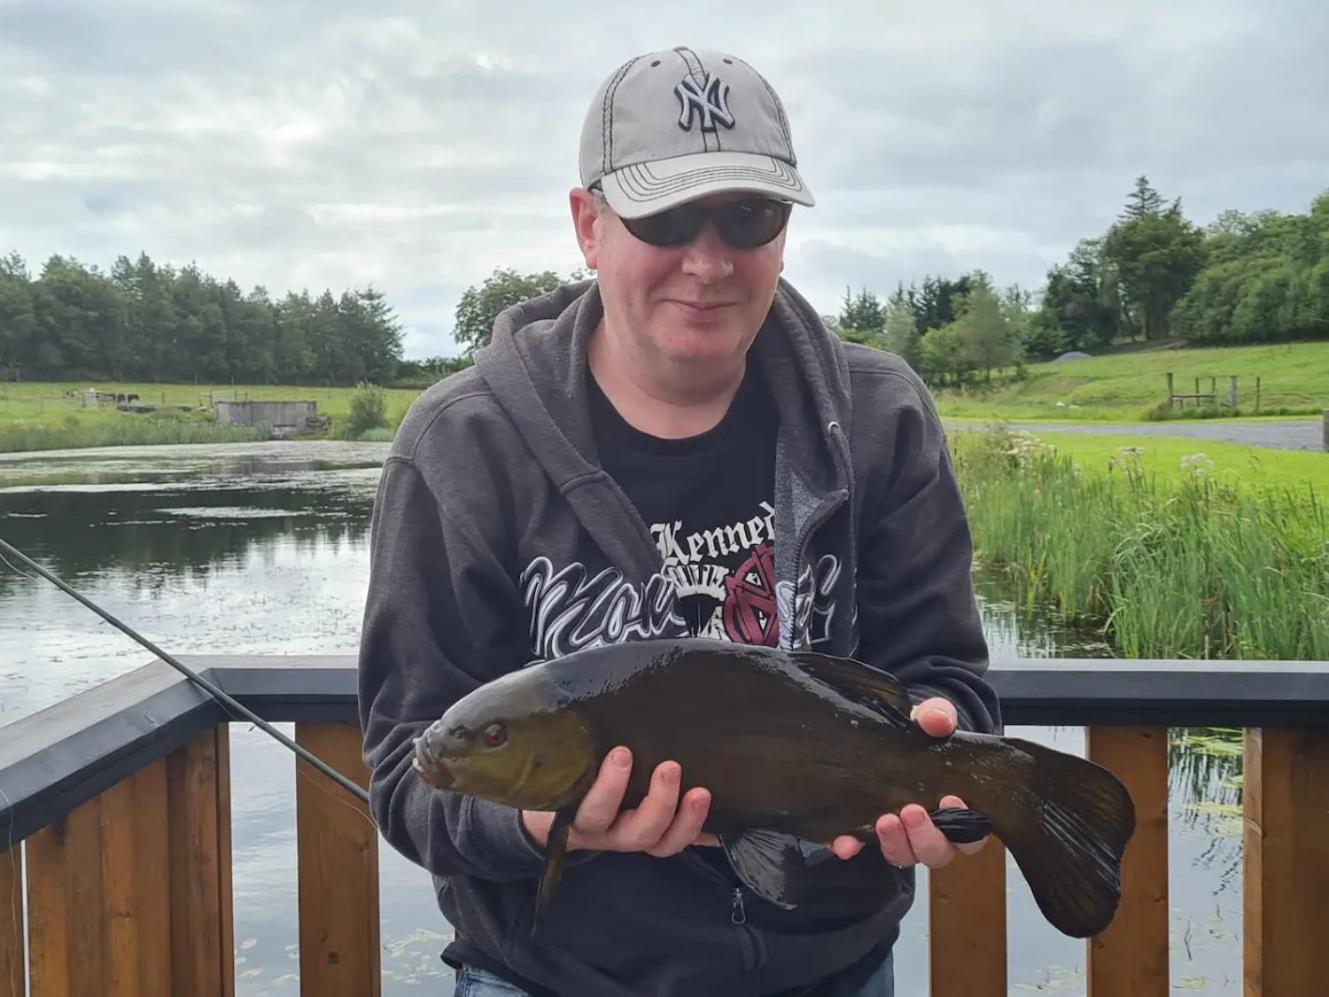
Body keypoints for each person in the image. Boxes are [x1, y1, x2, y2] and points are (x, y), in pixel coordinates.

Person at [358, 45, 1001, 997]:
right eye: (663, 215)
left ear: (784, 230)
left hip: (834, 968)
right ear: (589, 224)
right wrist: (541, 822)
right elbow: (412, 774)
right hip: (549, 978)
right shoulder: (462, 447)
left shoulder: (881, 416)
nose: (708, 262)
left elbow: (947, 682)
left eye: (747, 216)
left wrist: (949, 789)